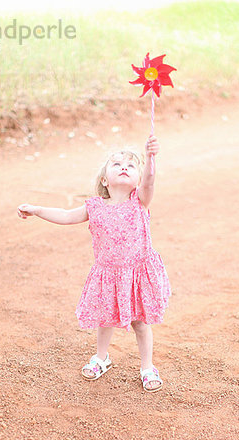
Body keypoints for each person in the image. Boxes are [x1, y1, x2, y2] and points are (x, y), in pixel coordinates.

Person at [17, 134, 171, 392]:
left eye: (132, 166)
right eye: (117, 164)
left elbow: (150, 181)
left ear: (138, 178)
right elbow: (65, 216)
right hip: (109, 275)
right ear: (104, 179)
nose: (124, 167)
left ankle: (147, 366)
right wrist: (36, 209)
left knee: (141, 323)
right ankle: (102, 357)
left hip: (136, 274)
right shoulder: (95, 207)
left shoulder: (140, 201)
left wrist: (151, 158)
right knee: (105, 319)